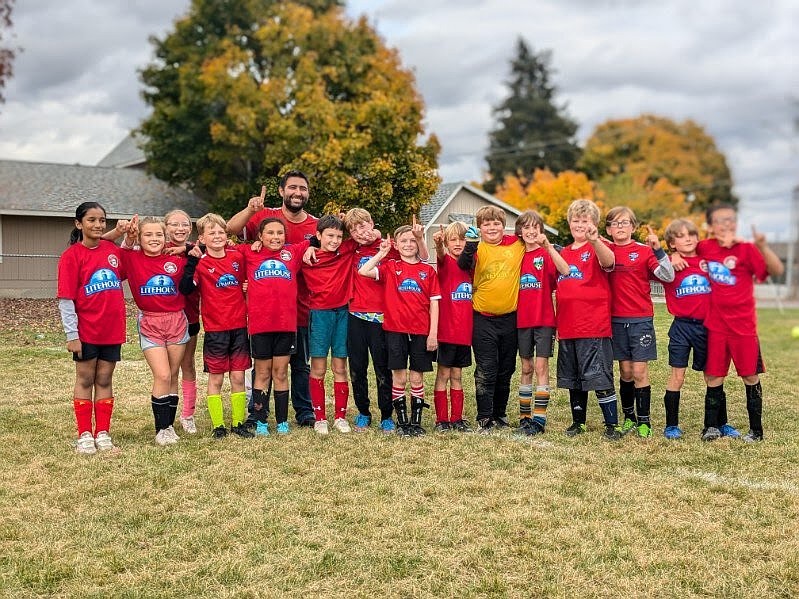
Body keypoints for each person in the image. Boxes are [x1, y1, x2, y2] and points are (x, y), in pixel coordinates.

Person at [676, 203, 784, 442]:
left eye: (730, 219)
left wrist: (763, 246)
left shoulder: (746, 249)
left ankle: (756, 430)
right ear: (711, 226)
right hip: (716, 327)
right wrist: (673, 255)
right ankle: (710, 427)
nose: (726, 224)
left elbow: (775, 270)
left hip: (744, 327)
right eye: (720, 220)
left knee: (749, 376)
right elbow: (682, 247)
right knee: (714, 376)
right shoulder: (705, 246)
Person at [227, 172, 317, 427]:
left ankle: (303, 412)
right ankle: (259, 413)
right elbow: (230, 230)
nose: (297, 192)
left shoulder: (314, 224)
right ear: (282, 191)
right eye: (292, 187)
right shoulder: (265, 217)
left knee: (300, 366)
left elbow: (331, 238)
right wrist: (249, 208)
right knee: (263, 368)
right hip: (264, 317)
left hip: (298, 311)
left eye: (302, 188)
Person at [345, 209, 429, 433]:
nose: (360, 232)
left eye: (363, 225)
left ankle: (386, 415)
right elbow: (323, 238)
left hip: (383, 319)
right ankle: (363, 412)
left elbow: (421, 256)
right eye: (354, 229)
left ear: (372, 222)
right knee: (357, 368)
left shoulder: (391, 247)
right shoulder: (350, 248)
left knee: (384, 369)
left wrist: (417, 238)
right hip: (356, 316)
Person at [57, 202, 127, 454]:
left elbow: (129, 261)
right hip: (86, 331)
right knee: (86, 379)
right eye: (92, 220)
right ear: (79, 224)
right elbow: (66, 300)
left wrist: (125, 234)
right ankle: (85, 433)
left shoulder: (111, 250)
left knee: (105, 378)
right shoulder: (71, 256)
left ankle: (103, 432)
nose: (98, 225)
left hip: (112, 330)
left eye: (102, 220)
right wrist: (72, 335)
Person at [359, 225, 441, 436]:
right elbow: (363, 271)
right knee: (399, 377)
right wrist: (382, 252)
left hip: (421, 332)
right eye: (403, 241)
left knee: (417, 378)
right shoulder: (390, 266)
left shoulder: (428, 270)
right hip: (395, 330)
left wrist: (433, 334)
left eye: (412, 240)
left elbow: (434, 304)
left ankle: (416, 421)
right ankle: (402, 421)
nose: (408, 244)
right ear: (396, 244)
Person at [180, 213, 253, 439]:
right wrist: (191, 259)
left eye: (221, 232)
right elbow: (185, 288)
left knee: (239, 378)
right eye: (211, 233)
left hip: (239, 327)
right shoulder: (200, 263)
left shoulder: (237, 256)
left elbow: (250, 266)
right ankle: (218, 425)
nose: (218, 236)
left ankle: (238, 422)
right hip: (215, 330)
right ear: (202, 237)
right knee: (216, 379)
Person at [604, 206, 675, 439]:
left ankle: (645, 421)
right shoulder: (605, 251)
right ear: (608, 229)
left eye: (625, 223)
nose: (620, 227)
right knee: (625, 371)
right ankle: (629, 418)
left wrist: (659, 250)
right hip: (615, 320)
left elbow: (668, 276)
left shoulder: (643, 252)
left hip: (640, 319)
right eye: (615, 223)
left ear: (633, 227)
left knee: (639, 370)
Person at [555, 199, 622, 441]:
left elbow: (608, 262)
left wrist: (594, 241)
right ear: (569, 223)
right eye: (576, 220)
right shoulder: (563, 252)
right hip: (568, 326)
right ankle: (578, 422)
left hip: (593, 325)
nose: (580, 225)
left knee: (599, 375)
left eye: (585, 220)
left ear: (593, 223)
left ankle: (612, 424)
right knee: (573, 378)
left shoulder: (599, 245)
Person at [120, 216, 189, 446]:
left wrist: (186, 248)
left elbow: (206, 250)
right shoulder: (132, 258)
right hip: (151, 322)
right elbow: (118, 254)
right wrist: (128, 239)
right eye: (148, 234)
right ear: (140, 237)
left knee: (172, 374)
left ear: (166, 237)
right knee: (161, 374)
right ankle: (160, 429)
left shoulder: (176, 258)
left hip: (177, 320)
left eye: (158, 234)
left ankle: (169, 426)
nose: (154, 239)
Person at [457, 206, 525, 434]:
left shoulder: (517, 244)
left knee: (506, 369)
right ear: (480, 227)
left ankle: (500, 414)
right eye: (486, 224)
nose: (492, 227)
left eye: (496, 223)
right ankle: (484, 416)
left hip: (510, 318)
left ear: (503, 225)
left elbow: (537, 241)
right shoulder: (476, 248)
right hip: (483, 319)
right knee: (487, 368)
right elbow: (462, 265)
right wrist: (470, 245)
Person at [240, 217, 310, 436]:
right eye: (270, 233)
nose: (275, 237)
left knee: (280, 373)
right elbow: (219, 242)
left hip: (286, 325)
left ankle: (282, 422)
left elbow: (321, 237)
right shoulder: (249, 253)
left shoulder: (293, 253)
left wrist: (343, 221)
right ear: (259, 236)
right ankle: (261, 421)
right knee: (262, 373)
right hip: (260, 326)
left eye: (280, 233)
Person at [302, 215, 360, 434]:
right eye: (330, 236)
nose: (335, 240)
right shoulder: (308, 257)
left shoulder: (345, 249)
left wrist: (348, 221)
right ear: (318, 236)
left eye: (338, 236)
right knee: (318, 368)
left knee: (340, 367)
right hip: (319, 315)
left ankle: (340, 416)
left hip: (343, 313)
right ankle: (320, 418)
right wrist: (309, 246)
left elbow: (364, 235)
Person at [514, 210, 570, 435]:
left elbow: (565, 270)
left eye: (534, 227)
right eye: (526, 227)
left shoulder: (546, 254)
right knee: (526, 367)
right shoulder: (516, 255)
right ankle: (525, 417)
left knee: (540, 367)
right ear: (520, 231)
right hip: (521, 320)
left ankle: (539, 419)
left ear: (541, 230)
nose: (530, 231)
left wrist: (548, 247)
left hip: (544, 319)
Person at [661, 218, 712, 440]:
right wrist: (671, 257)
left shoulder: (707, 260)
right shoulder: (670, 265)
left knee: (713, 377)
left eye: (691, 234)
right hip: (681, 326)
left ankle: (720, 422)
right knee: (677, 377)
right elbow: (652, 258)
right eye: (680, 236)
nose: (688, 238)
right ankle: (671, 424)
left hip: (708, 326)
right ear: (672, 243)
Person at [431, 221, 474, 432]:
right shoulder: (445, 261)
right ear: (447, 242)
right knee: (444, 375)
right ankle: (442, 420)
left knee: (457, 375)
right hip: (446, 332)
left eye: (462, 239)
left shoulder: (471, 264)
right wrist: (438, 244)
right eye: (453, 239)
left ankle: (457, 418)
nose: (458, 243)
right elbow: (439, 253)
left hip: (464, 333)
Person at [163, 209, 202, 435]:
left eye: (185, 224)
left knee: (188, 365)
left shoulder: (196, 250)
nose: (180, 228)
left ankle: (188, 414)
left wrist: (187, 249)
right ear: (165, 227)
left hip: (190, 317)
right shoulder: (158, 249)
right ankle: (166, 414)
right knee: (169, 371)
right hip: (165, 319)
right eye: (174, 224)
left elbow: (218, 245)